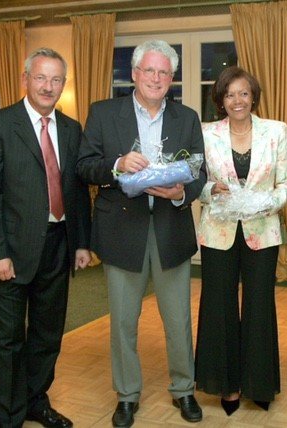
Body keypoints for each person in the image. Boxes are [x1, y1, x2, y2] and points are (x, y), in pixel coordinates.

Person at [76, 39, 207, 427]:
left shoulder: (187, 117)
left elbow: (200, 172)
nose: (156, 77)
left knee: (178, 319)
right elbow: (84, 166)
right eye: (149, 70)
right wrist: (117, 164)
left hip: (171, 227)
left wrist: (181, 193)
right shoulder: (103, 113)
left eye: (164, 72)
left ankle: (184, 389)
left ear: (172, 78)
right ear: (134, 74)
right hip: (121, 229)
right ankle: (127, 395)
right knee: (123, 322)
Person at [0, 47, 92, 428]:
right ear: (25, 79)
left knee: (47, 335)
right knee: (8, 340)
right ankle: (7, 417)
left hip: (58, 245)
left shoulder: (71, 128)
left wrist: (82, 242)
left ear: (63, 84)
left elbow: (76, 190)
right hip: (11, 251)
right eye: (40, 77)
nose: (48, 86)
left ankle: (35, 401)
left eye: (56, 79)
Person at [195, 66, 287, 415]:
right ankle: (227, 385)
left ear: (253, 97)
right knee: (219, 305)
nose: (237, 100)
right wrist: (211, 189)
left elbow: (286, 183)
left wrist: (266, 202)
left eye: (243, 93)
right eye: (229, 94)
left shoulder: (276, 131)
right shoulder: (206, 133)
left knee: (259, 304)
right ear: (221, 100)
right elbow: (196, 181)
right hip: (217, 231)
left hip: (262, 229)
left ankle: (258, 383)